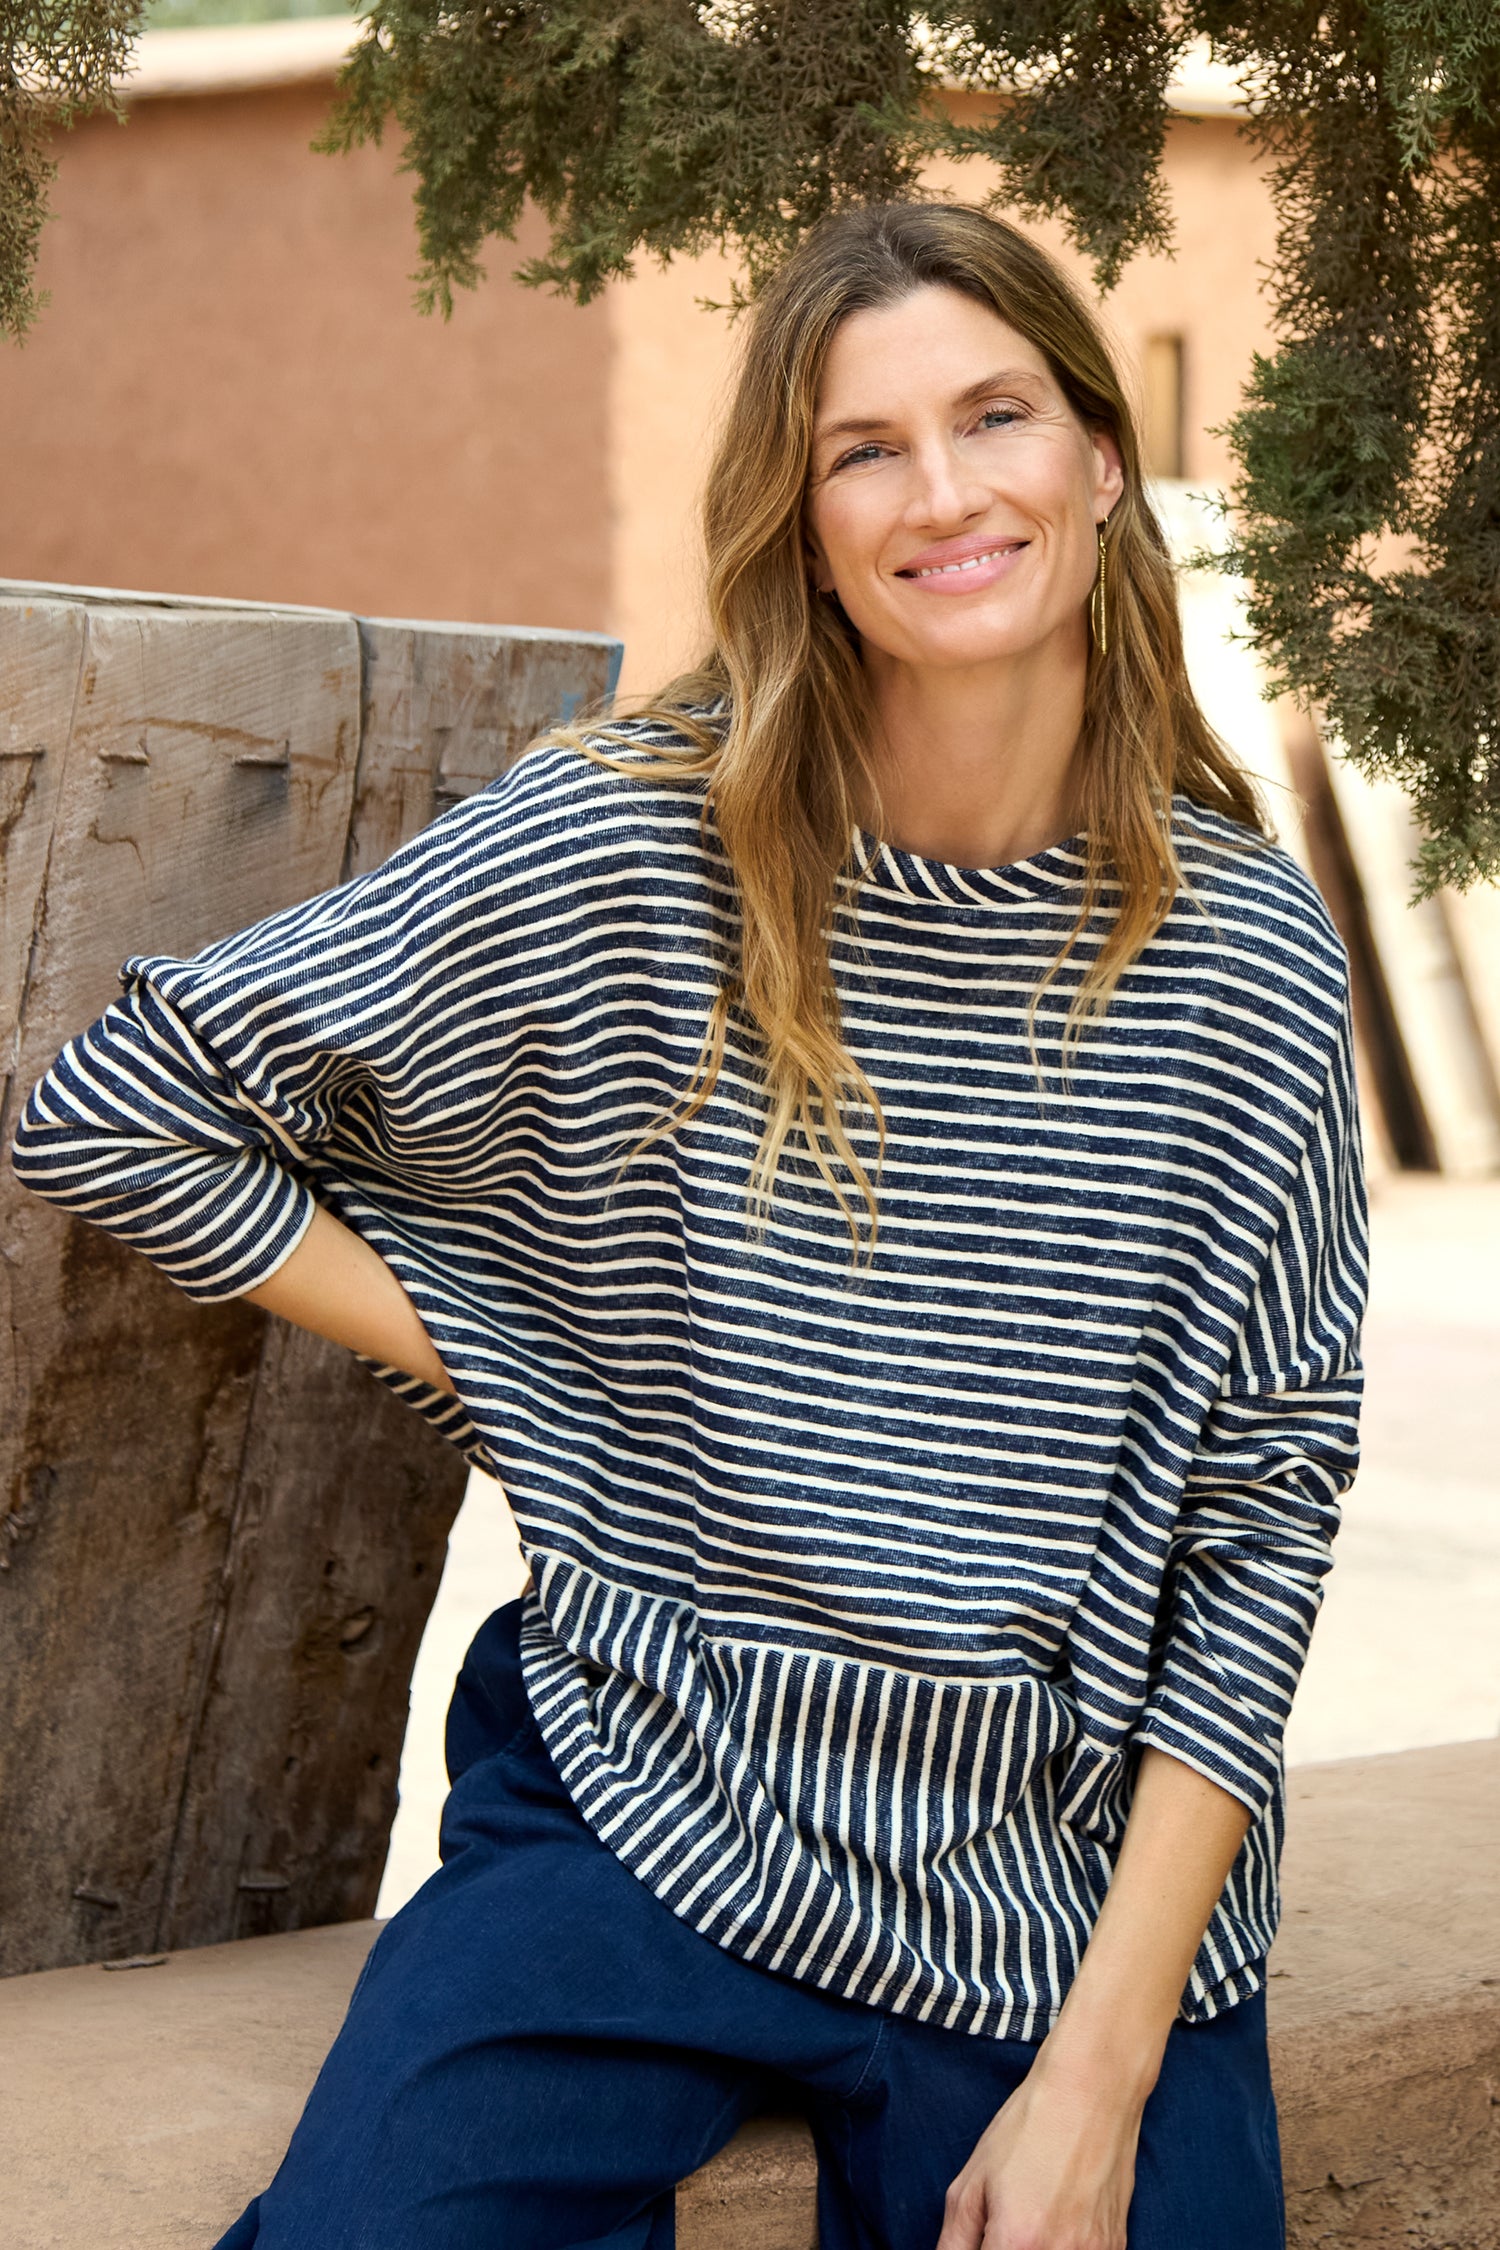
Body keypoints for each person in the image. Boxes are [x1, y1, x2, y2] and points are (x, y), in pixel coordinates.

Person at [13, 202, 1365, 2250]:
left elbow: (1261, 1512)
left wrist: (1103, 2071)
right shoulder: (638, 847)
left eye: (996, 415)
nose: (944, 492)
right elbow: (126, 1110)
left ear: (1101, 458)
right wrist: (518, 1363)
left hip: (1052, 1855)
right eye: (864, 449)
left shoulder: (1243, 953)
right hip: (654, 1781)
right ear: (803, 521)